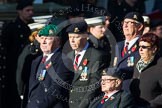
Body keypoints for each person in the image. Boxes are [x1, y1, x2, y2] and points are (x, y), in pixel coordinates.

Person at [26, 24, 74, 108]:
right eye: (42, 38)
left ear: (58, 41)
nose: (43, 41)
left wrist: (38, 106)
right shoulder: (36, 61)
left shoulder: (63, 60)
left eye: (48, 38)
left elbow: (57, 90)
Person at [66, 20, 108, 108]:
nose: (72, 41)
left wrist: (82, 106)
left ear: (86, 36)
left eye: (76, 37)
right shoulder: (68, 56)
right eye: (70, 37)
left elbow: (94, 86)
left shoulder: (96, 55)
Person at [1, 0, 34, 108]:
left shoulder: (30, 28)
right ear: (19, 11)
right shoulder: (12, 27)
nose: (30, 13)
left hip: (26, 68)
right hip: (13, 68)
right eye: (27, 10)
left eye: (32, 10)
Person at [130, 32, 162, 108]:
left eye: (144, 47)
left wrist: (151, 105)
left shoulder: (160, 65)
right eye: (139, 46)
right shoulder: (138, 61)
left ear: (154, 49)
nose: (140, 49)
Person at [114, 12, 144, 92]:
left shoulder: (143, 45)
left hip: (132, 90)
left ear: (139, 26)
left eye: (129, 23)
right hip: (115, 92)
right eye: (124, 23)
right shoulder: (118, 45)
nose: (125, 26)